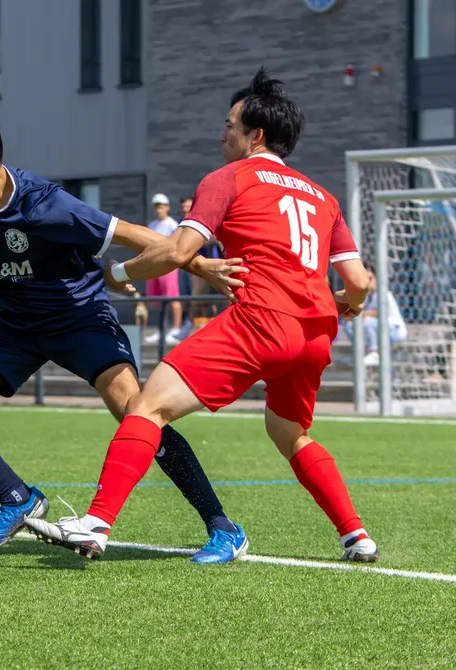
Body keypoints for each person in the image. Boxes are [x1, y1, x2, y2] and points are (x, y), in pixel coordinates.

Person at [26, 69, 379, 563]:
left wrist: (117, 272)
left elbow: (177, 251)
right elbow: (360, 282)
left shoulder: (228, 178)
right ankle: (357, 535)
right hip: (316, 331)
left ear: (255, 135)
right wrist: (350, 303)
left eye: (230, 124)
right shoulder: (323, 197)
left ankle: (95, 523)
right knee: (289, 433)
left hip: (261, 320)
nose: (222, 134)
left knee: (147, 405)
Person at [0, 114, 250, 561]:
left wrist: (200, 264)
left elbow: (135, 235)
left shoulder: (46, 204)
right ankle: (18, 498)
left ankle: (223, 527)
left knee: (140, 414)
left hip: (78, 317)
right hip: (10, 321)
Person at [344, 268, 407, 367]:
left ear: (377, 279)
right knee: (348, 325)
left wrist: (363, 314)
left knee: (368, 322)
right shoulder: (366, 296)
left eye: (370, 278)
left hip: (394, 330)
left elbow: (381, 313)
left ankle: (375, 353)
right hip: (374, 327)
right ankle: (360, 353)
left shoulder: (384, 294)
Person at [143, 194, 183, 345]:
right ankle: (161, 329)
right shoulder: (151, 225)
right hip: (154, 266)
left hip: (168, 266)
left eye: (161, 206)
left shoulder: (172, 225)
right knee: (157, 300)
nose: (159, 210)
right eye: (156, 207)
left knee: (172, 297)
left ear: (167, 207)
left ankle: (176, 329)